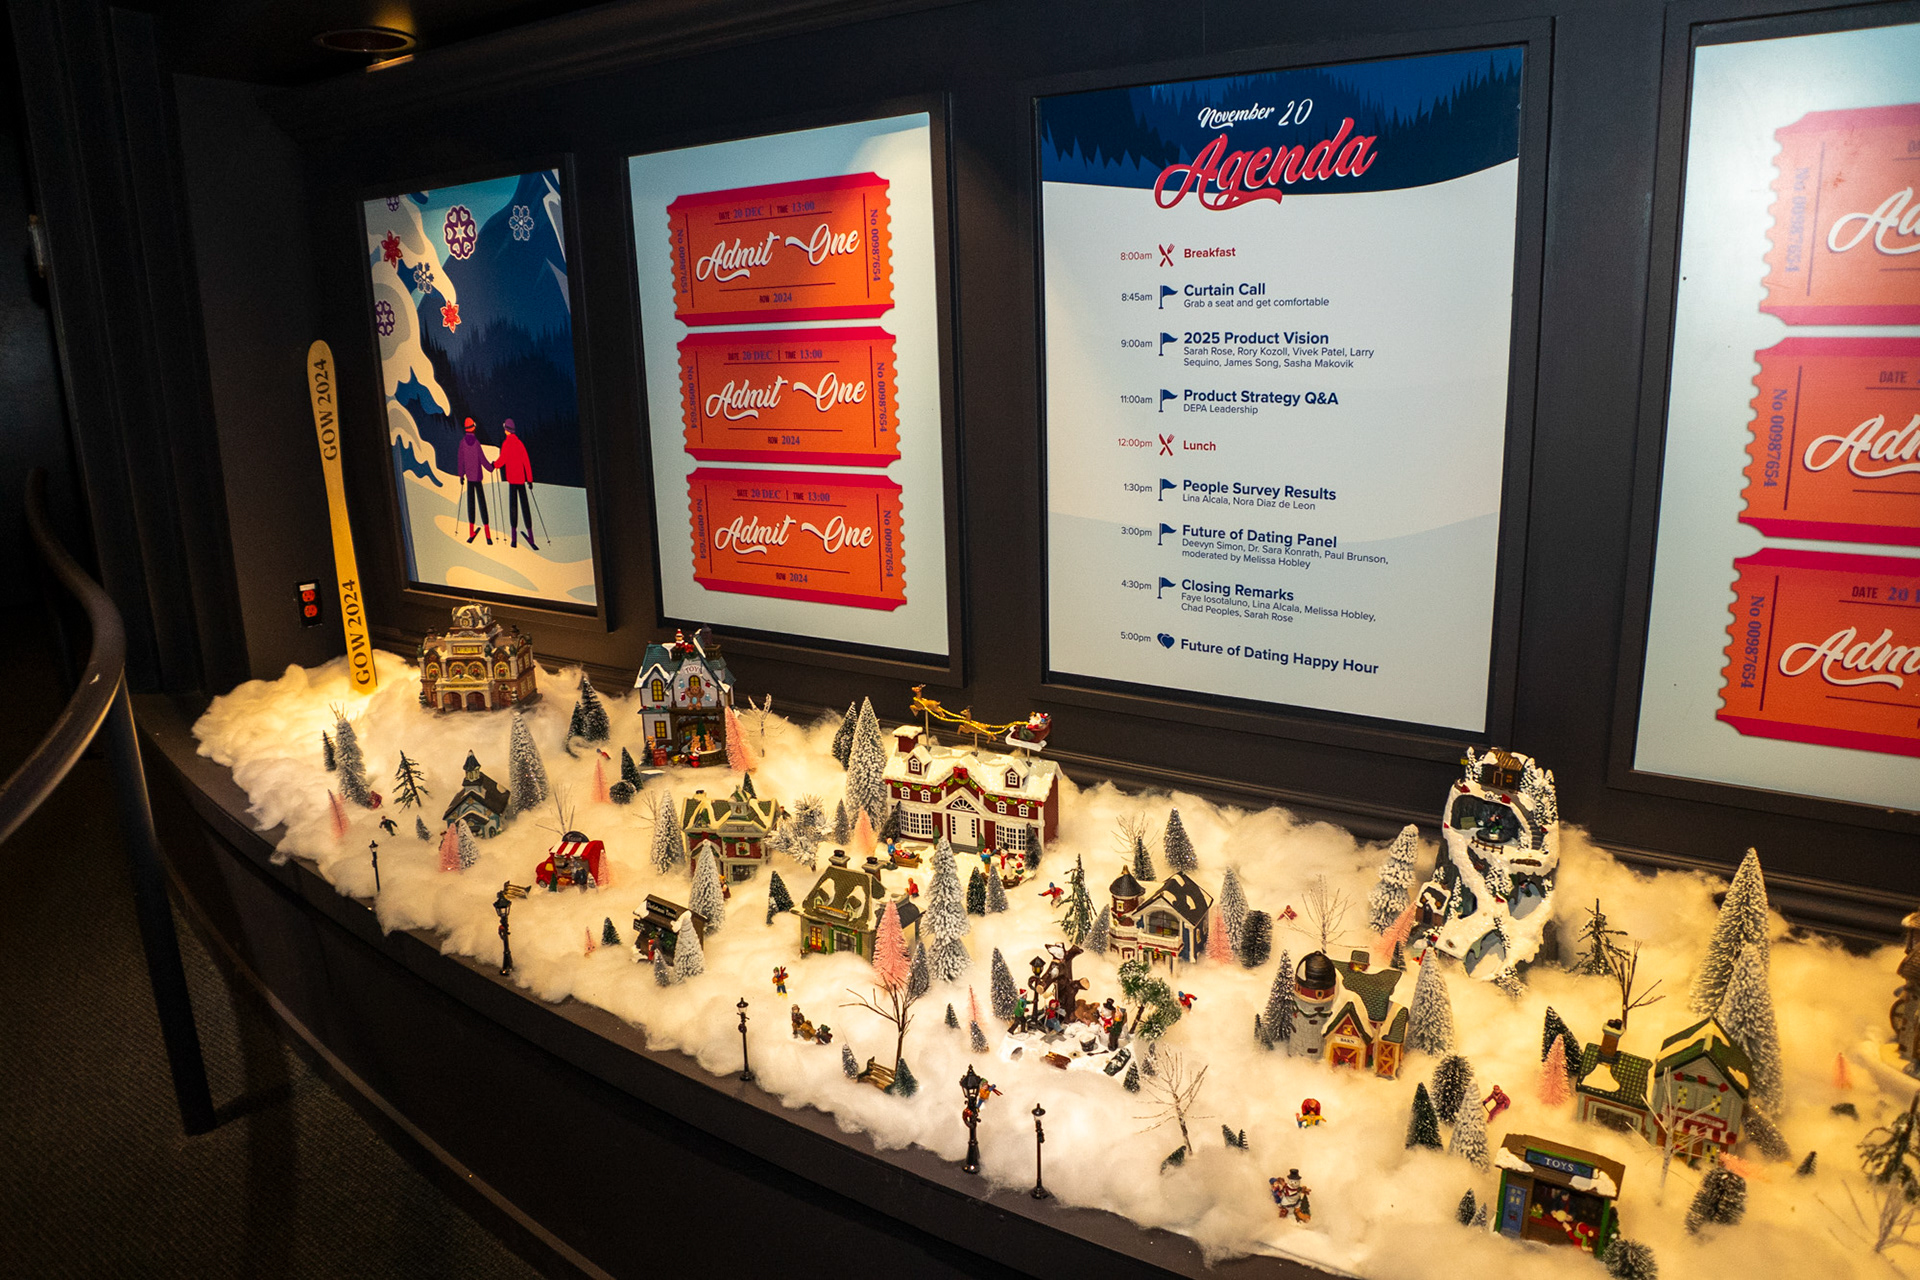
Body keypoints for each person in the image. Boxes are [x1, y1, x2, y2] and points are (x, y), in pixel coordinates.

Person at [496, 418, 537, 550]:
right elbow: (526, 462)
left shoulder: (506, 444)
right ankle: (531, 536)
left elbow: (502, 460)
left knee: (513, 507)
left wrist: (494, 465)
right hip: (521, 480)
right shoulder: (519, 444)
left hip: (512, 481)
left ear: (507, 429)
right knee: (525, 507)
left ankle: (514, 539)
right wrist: (529, 479)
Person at [456, 418, 495, 543]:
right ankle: (488, 534)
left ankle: (471, 532)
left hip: (469, 478)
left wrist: (461, 475)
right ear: (473, 428)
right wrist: (491, 467)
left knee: (471, 504)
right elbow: (483, 460)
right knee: (482, 503)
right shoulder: (476, 443)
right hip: (478, 478)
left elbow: (460, 460)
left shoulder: (462, 443)